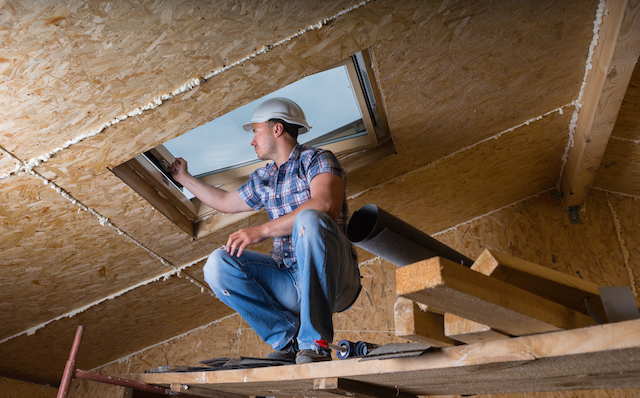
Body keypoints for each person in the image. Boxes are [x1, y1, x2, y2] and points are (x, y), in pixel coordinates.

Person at [170, 97, 361, 364]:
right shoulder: (265, 178)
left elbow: (325, 205)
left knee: (310, 219)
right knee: (218, 264)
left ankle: (314, 343)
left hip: (337, 280)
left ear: (277, 129)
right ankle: (287, 340)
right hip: (290, 281)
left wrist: (262, 230)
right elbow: (225, 202)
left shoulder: (318, 159)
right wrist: (184, 178)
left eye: (256, 131)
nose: (252, 140)